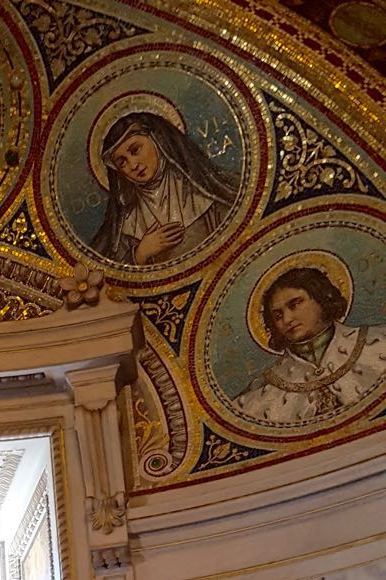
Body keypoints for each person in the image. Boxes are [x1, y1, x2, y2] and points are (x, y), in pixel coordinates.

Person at [234, 266, 386, 424]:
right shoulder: (261, 391)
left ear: (322, 297)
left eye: (295, 304)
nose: (287, 319)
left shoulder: (379, 342)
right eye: (278, 315)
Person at [90, 111, 239, 266]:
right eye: (122, 163)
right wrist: (140, 254)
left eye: (135, 150)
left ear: (157, 140)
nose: (133, 165)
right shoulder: (125, 224)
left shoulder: (203, 193)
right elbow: (111, 273)